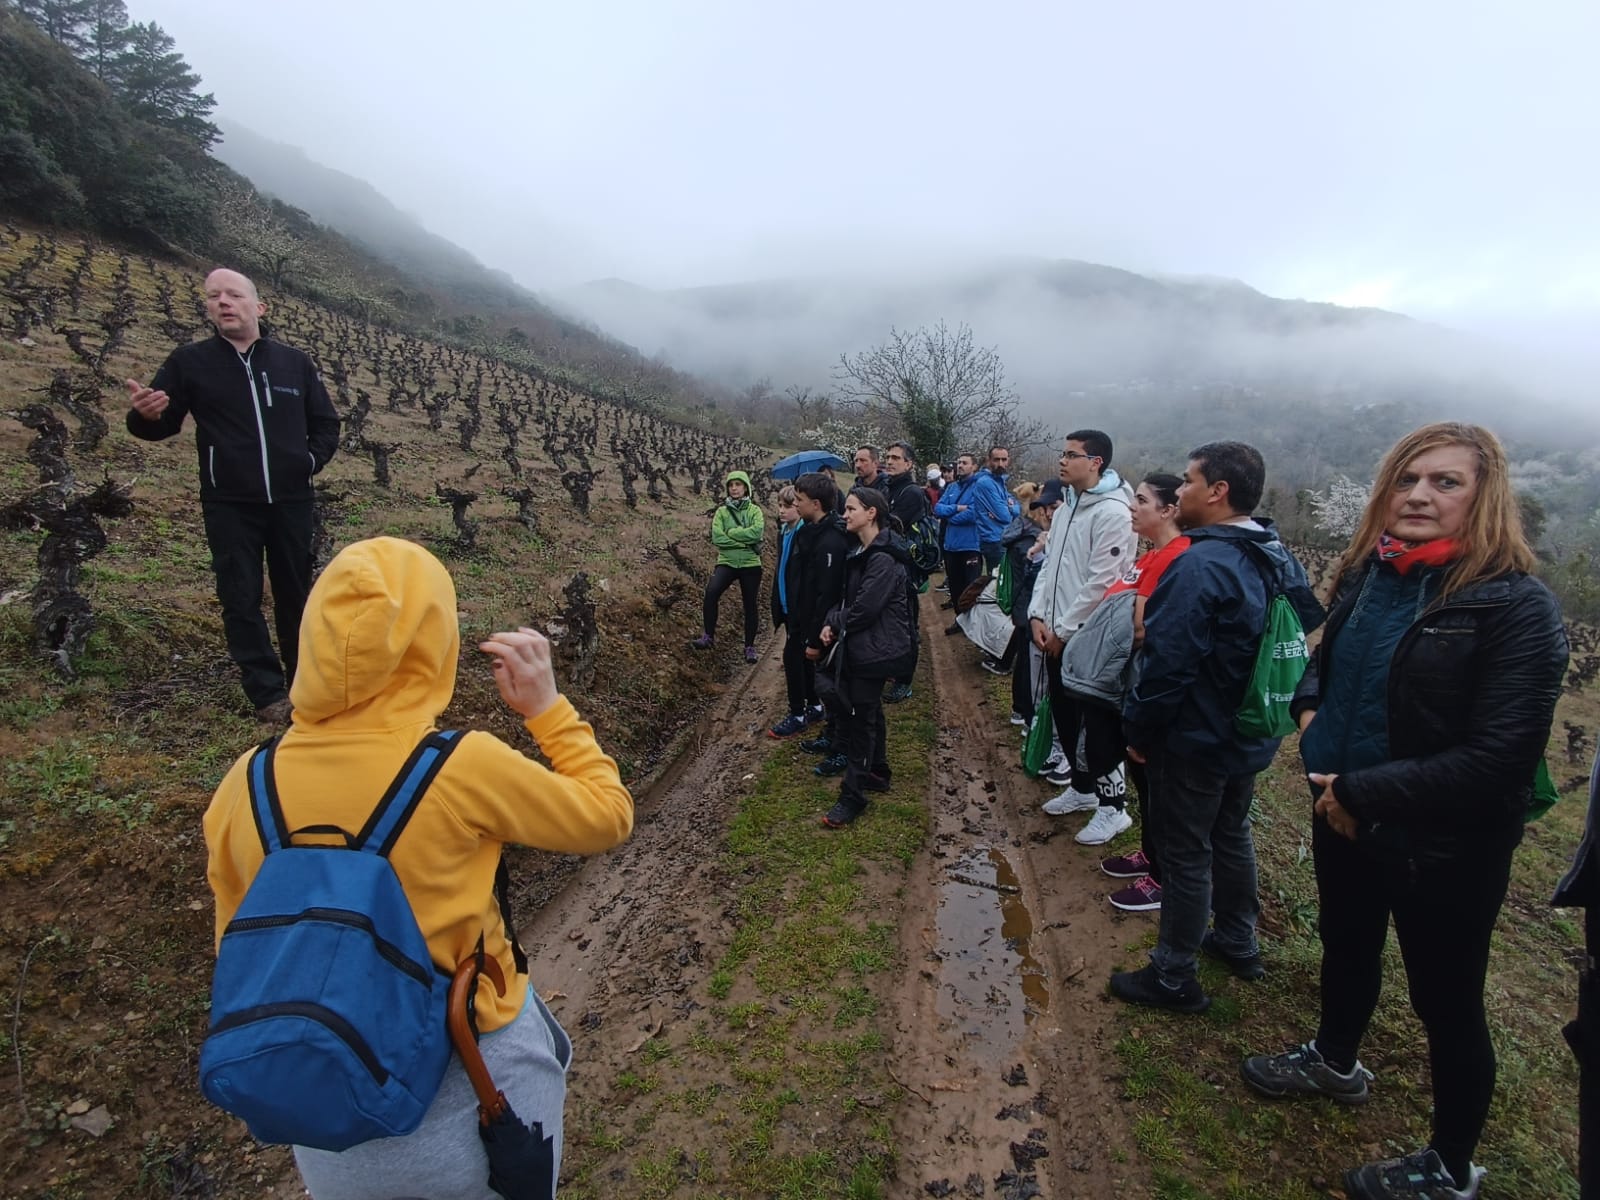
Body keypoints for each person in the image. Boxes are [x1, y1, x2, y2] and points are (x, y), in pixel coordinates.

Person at [203, 536, 634, 1200]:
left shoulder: (244, 784)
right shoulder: (457, 765)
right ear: (430, 641)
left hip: (328, 1125)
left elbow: (241, 948)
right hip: (473, 1097)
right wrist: (547, 709)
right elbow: (607, 816)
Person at [1240, 423, 1568, 1200]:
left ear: (1486, 499)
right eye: (1407, 479)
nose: (1419, 494)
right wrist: (1311, 714)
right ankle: (1334, 1059)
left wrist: (1358, 792)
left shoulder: (1514, 608)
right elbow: (1325, 664)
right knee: (1346, 944)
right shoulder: (1370, 574)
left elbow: (1500, 759)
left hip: (1441, 843)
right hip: (1342, 812)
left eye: (1446, 482)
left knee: (1445, 998)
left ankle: (1452, 1166)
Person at [1112, 441, 1322, 1016]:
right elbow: (1305, 621)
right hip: (1252, 730)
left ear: (1217, 490)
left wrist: (1139, 731)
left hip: (1197, 735)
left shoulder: (1199, 563)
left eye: (1187, 480)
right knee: (1232, 833)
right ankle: (1237, 938)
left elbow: (1168, 664)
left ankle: (1173, 974)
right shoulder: (1275, 551)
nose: (1179, 490)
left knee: (1185, 853)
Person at [126, 267, 341, 724]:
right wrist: (144, 416)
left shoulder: (293, 363)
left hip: (291, 500)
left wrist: (307, 462)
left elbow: (326, 424)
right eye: (213, 296)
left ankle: (305, 681)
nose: (223, 302)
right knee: (239, 596)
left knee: (297, 593)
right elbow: (161, 423)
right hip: (229, 502)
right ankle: (267, 693)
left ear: (258, 306)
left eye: (234, 294)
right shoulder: (189, 362)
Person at [1054, 473, 1189, 903]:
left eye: (1142, 501)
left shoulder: (1175, 556)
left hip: (1134, 681)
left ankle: (1162, 875)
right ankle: (1149, 855)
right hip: (1118, 679)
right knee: (1136, 770)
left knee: (1152, 781)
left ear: (1168, 510)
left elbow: (1139, 626)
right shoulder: (1151, 554)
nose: (1132, 507)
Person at [1028, 431, 1136, 822]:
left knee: (1098, 724)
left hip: (1090, 639)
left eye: (1072, 455)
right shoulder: (1068, 506)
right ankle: (1082, 787)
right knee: (1065, 713)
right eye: (1062, 452)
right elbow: (1050, 566)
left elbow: (1102, 583)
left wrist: (1065, 630)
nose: (1062, 460)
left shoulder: (1112, 512)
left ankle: (1113, 805)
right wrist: (1037, 615)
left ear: (1096, 463)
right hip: (1054, 632)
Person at [816, 487, 915, 827]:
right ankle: (878, 771)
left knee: (859, 718)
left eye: (851, 509)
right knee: (869, 712)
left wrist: (835, 623)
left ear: (871, 513)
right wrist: (832, 620)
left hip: (877, 649)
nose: (845, 514)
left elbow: (864, 610)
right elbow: (849, 601)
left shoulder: (883, 558)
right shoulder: (862, 551)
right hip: (867, 645)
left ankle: (853, 795)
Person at [785, 473, 853, 767]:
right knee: (823, 685)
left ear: (816, 503)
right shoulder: (806, 531)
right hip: (803, 619)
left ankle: (842, 745)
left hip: (824, 627)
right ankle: (831, 733)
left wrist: (815, 638)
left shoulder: (832, 541)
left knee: (833, 687)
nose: (795, 504)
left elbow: (826, 594)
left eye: (799, 500)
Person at [690, 469, 765, 661]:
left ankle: (749, 647)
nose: (734, 488)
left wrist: (731, 532)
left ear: (746, 487)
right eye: (731, 485)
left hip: (750, 564)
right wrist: (743, 541)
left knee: (750, 604)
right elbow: (718, 538)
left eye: (738, 484)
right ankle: (708, 636)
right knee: (711, 593)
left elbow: (756, 533)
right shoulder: (722, 512)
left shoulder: (755, 511)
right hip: (727, 562)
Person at [881, 441, 931, 704]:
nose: (889, 461)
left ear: (909, 464)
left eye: (896, 458)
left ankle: (904, 681)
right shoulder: (890, 487)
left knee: (907, 625)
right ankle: (893, 669)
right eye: (888, 457)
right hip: (891, 566)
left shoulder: (910, 492)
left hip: (906, 570)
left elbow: (890, 529)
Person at [767, 485, 816, 737]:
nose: (782, 511)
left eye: (787, 506)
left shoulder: (805, 535)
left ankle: (798, 713)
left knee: (792, 657)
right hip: (786, 605)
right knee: (803, 657)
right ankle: (815, 704)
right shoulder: (783, 532)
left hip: (799, 608)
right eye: (780, 506)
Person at [934, 453, 988, 634]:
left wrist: (950, 517)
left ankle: (973, 624)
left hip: (970, 546)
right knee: (955, 587)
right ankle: (960, 621)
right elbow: (938, 509)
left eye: (964, 463)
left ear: (974, 466)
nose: (960, 465)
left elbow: (974, 513)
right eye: (958, 462)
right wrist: (956, 508)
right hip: (951, 546)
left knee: (970, 588)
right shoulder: (951, 487)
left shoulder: (979, 488)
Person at [976, 445, 1022, 570]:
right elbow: (1005, 516)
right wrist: (1009, 508)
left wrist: (1010, 507)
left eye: (1004, 459)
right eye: (996, 460)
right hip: (993, 540)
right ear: (989, 461)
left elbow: (1017, 509)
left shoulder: (999, 481)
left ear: (1008, 460)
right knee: (997, 582)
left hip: (1002, 537)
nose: (1000, 463)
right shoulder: (985, 482)